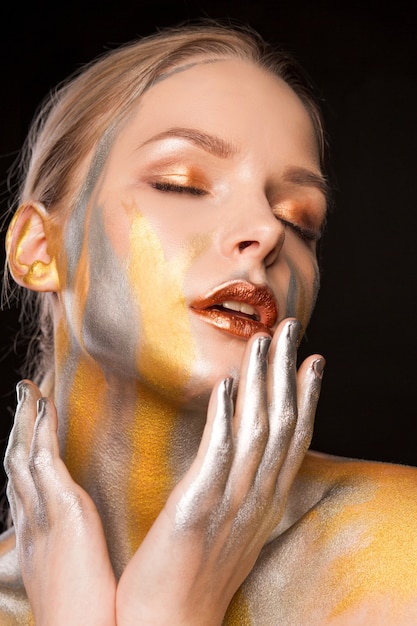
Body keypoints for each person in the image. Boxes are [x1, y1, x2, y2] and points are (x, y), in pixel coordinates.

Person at [0, 20, 416, 625]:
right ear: (40, 248)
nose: (269, 231)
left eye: (300, 219)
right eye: (184, 184)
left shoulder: (393, 550)